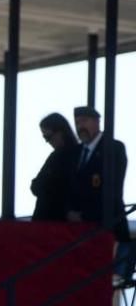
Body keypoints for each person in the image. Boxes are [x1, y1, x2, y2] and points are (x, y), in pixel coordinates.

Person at [67, 106, 130, 265]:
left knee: (108, 277)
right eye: (77, 122)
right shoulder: (76, 152)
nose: (80, 126)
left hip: (106, 224)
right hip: (80, 229)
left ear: (97, 122)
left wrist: (85, 214)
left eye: (84, 121)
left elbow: (113, 188)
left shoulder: (114, 148)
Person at [30, 112, 78, 222]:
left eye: (48, 137)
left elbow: (38, 186)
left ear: (61, 132)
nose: (48, 142)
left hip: (54, 221)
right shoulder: (60, 156)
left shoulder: (61, 157)